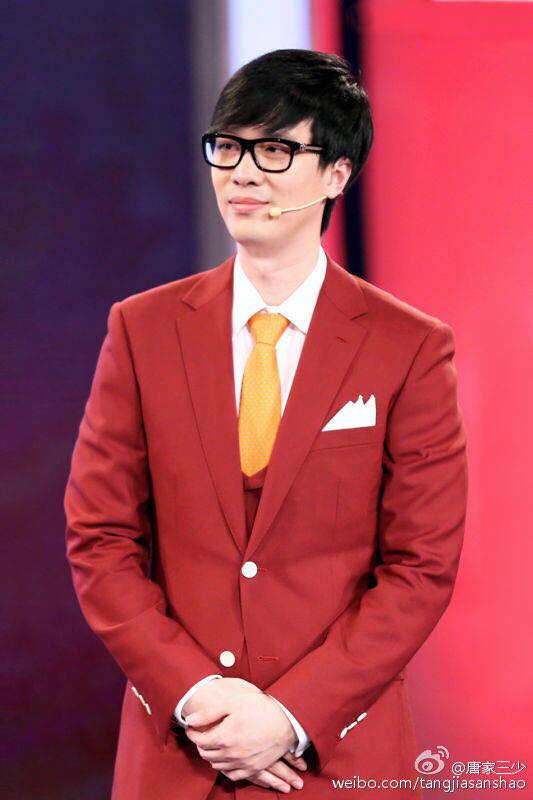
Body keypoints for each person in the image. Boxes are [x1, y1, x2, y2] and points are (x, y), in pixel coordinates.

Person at [64, 49, 468, 800]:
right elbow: (101, 537)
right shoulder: (142, 330)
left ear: (337, 174)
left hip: (336, 757)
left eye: (275, 150)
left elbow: (420, 567)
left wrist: (289, 715)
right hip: (181, 750)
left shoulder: (408, 346)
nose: (242, 174)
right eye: (228, 147)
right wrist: (199, 696)